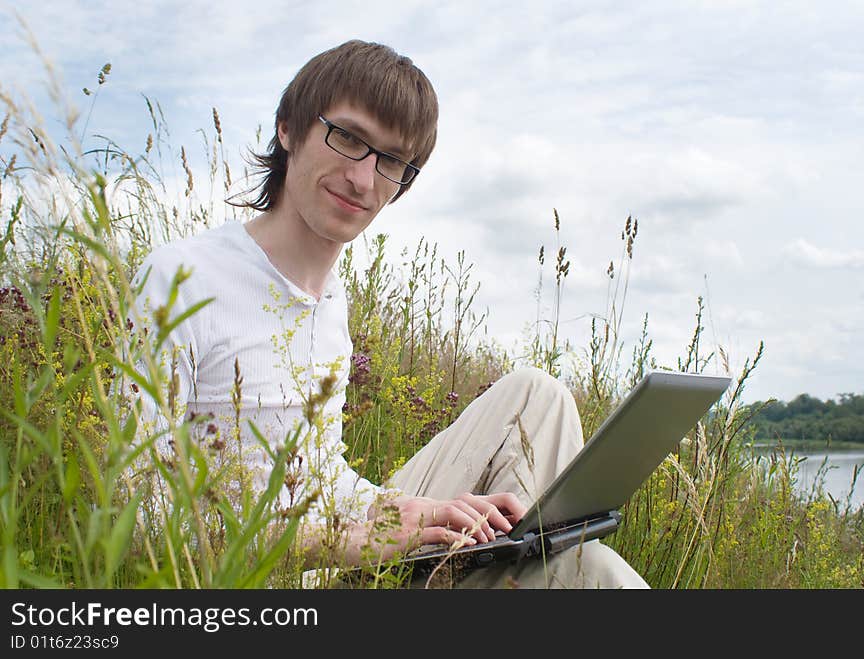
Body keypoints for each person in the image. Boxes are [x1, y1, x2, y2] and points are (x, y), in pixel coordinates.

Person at [132, 39, 648, 589]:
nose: (363, 179)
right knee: (596, 576)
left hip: (334, 538)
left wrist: (424, 512)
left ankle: (527, 557)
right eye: (349, 138)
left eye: (393, 161)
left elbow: (323, 476)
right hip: (261, 575)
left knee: (537, 397)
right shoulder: (180, 278)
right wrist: (347, 541)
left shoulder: (330, 300)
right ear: (289, 128)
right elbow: (140, 520)